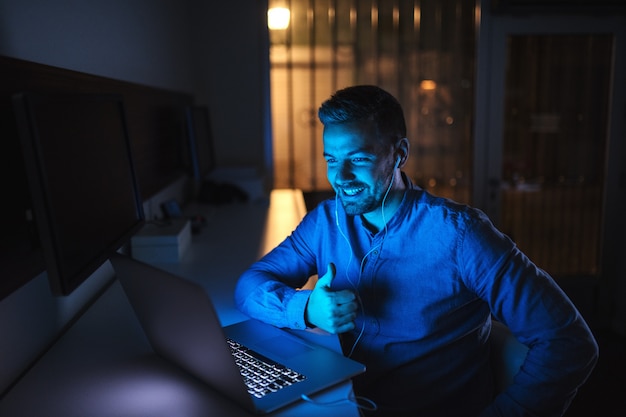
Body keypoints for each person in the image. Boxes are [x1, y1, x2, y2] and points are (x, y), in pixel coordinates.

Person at [234, 85, 598, 416]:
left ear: (399, 154)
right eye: (332, 159)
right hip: (343, 402)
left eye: (358, 159)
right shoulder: (326, 221)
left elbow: (568, 343)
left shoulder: (461, 235)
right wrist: (306, 308)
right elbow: (249, 287)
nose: (341, 177)